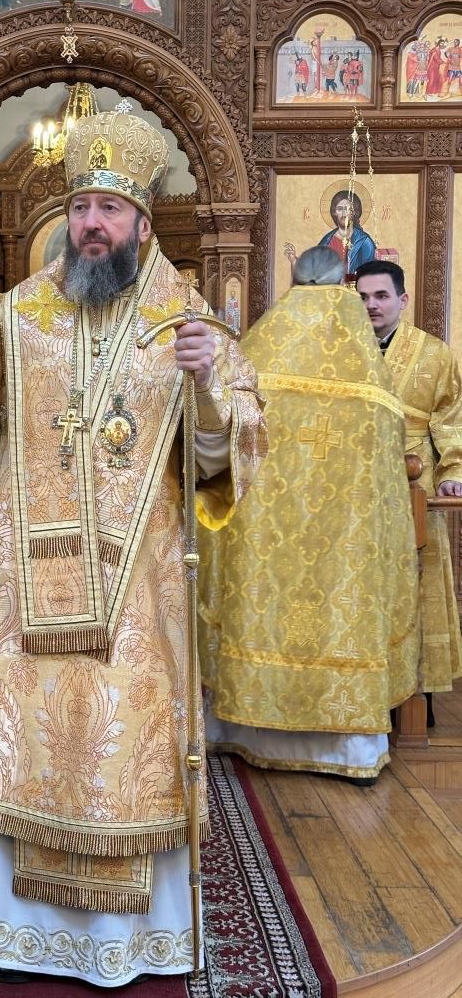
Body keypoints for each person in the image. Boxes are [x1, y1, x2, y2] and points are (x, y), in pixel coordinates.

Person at [0, 110, 267, 987]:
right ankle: (12, 928)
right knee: (25, 740)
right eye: (81, 206)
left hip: (138, 589)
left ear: (142, 222)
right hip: (26, 578)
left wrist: (209, 385)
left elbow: (233, 447)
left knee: (125, 739)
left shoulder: (186, 320)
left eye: (110, 209)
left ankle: (123, 939)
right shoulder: (25, 310)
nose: (92, 223)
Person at [200, 246, 419, 783]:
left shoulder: (258, 351)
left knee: (258, 603)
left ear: (293, 283)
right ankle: (347, 750)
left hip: (264, 541)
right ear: (343, 285)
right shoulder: (368, 377)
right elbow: (391, 462)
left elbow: (221, 438)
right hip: (346, 546)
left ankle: (242, 729)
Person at [356, 259, 462, 718]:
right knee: (363, 591)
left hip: (414, 487)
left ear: (402, 299)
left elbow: (452, 420)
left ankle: (421, 697)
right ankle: (366, 695)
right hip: (357, 489)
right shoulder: (341, 351)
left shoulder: (434, 354)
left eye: (381, 296)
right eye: (362, 297)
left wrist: (453, 471)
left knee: (419, 590)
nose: (371, 305)